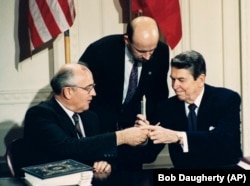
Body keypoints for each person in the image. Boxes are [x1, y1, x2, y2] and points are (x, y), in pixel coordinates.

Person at [23, 63, 150, 174]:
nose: (94, 93)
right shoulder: (39, 115)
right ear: (68, 92)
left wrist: (104, 162)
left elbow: (100, 147)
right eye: (88, 88)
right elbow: (68, 148)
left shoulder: (90, 117)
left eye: (93, 86)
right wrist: (122, 137)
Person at [78, 16, 169, 170]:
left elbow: (159, 96)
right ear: (127, 40)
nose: (147, 57)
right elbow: (81, 96)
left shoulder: (161, 52)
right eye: (141, 51)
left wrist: (148, 135)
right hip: (100, 138)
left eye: (151, 50)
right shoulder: (100, 51)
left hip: (133, 144)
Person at [138, 50, 243, 169]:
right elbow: (149, 156)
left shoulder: (227, 99)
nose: (174, 86)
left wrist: (179, 137)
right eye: (173, 79)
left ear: (200, 80)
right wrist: (143, 136)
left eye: (181, 80)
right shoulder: (167, 108)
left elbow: (224, 140)